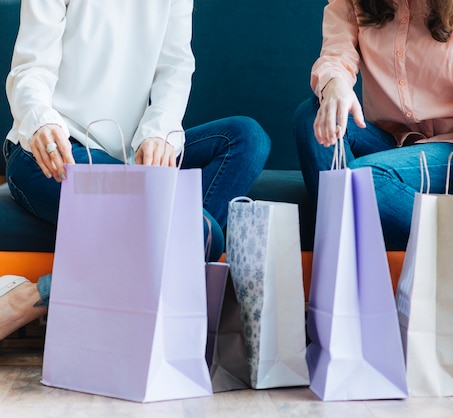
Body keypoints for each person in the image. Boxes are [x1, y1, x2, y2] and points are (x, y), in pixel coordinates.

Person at [0, 0, 270, 340]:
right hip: (57, 153)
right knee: (199, 230)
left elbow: (175, 68)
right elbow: (31, 69)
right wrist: (40, 121)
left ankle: (39, 295)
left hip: (130, 158)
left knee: (247, 138)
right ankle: (151, 283)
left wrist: (157, 134)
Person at [293, 0, 453, 308]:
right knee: (312, 113)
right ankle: (342, 280)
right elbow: (337, 56)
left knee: (364, 179)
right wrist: (335, 85)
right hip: (398, 145)